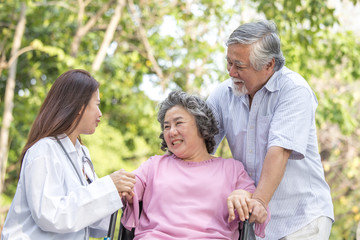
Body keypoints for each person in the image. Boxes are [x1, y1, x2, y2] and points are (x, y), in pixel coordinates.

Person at [206, 20, 334, 239]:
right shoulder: (223, 94)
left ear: (269, 65)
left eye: (239, 66)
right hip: (253, 222)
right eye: (228, 63)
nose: (231, 72)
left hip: (301, 219)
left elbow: (279, 151)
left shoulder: (294, 90)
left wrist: (259, 201)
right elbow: (199, 144)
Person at [1, 69, 136, 239]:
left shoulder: (82, 154)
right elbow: (51, 215)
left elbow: (88, 220)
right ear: (80, 106)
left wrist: (118, 197)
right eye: (97, 104)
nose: (100, 113)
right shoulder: (44, 150)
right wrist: (109, 186)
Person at [120, 90, 270, 240]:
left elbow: (258, 206)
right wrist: (121, 189)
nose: (171, 132)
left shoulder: (232, 170)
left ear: (201, 126)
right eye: (166, 127)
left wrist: (245, 195)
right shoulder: (154, 166)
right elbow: (127, 187)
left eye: (178, 123)